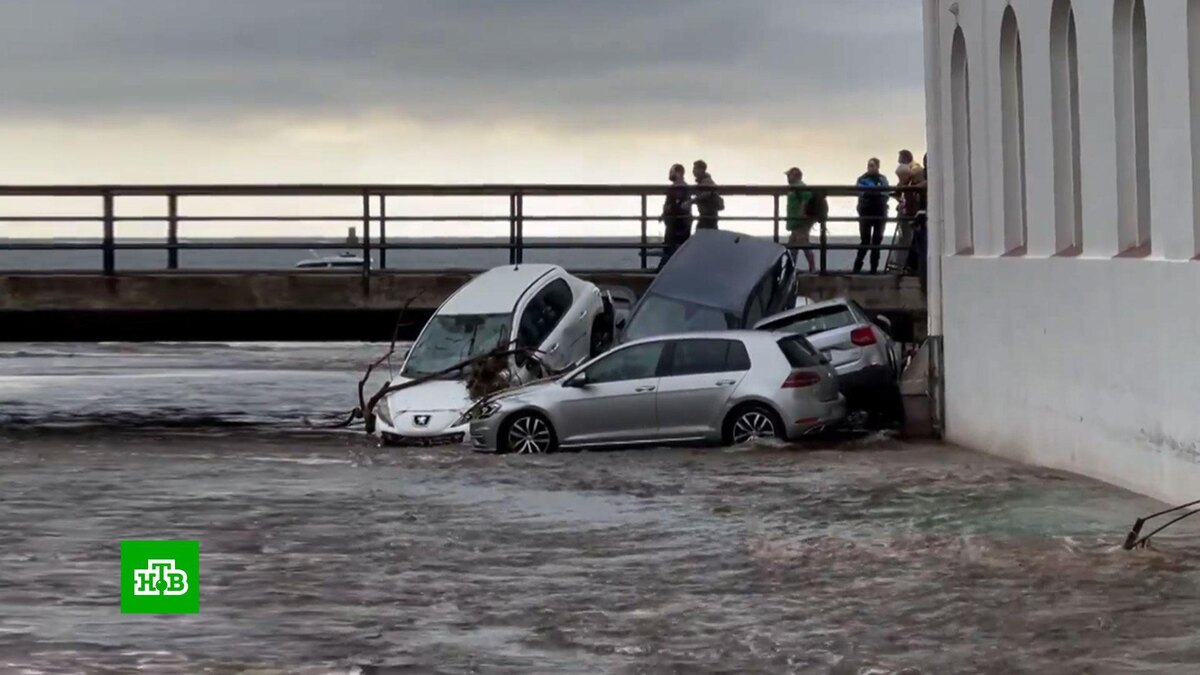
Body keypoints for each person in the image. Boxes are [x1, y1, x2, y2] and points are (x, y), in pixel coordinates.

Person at [854, 158, 890, 274]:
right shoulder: (862, 179)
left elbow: (886, 194)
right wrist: (874, 192)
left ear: (878, 167)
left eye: (873, 166)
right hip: (866, 212)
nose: (870, 168)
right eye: (869, 165)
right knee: (865, 240)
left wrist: (873, 192)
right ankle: (857, 266)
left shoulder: (882, 179)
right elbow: (860, 191)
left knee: (877, 241)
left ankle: (874, 268)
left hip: (880, 212)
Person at [657, 163, 693, 270]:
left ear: (678, 172)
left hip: (676, 222)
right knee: (679, 247)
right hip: (680, 221)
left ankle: (664, 269)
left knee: (671, 246)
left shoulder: (678, 188)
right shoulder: (684, 187)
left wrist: (665, 213)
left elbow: (673, 204)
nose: (670, 173)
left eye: (672, 171)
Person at [785, 167, 815, 273]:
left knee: (803, 244)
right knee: (793, 246)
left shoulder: (800, 187)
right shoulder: (793, 188)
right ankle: (791, 268)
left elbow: (805, 200)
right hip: (795, 222)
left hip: (800, 222)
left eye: (789, 175)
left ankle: (812, 268)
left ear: (796, 176)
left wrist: (801, 214)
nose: (787, 178)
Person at [691, 160, 723, 230]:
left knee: (703, 232)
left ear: (701, 170)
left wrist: (691, 201)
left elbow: (706, 194)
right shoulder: (703, 181)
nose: (693, 171)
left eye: (695, 168)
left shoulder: (707, 181)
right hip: (707, 214)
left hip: (708, 214)